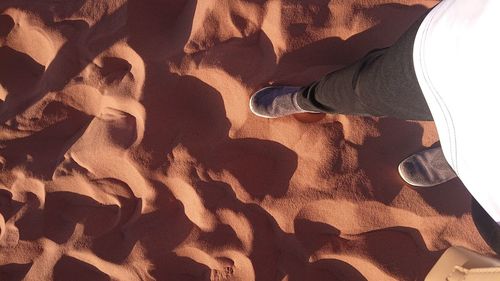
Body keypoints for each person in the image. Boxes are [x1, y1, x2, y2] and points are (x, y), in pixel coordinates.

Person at [249, 0, 500, 254]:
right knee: (365, 89)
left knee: (485, 213)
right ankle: (309, 99)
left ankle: (457, 155)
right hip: (463, 53)